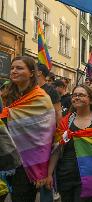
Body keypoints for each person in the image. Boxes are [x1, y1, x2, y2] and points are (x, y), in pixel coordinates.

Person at [46, 85, 92, 202]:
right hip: (66, 174)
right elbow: (56, 149)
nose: (77, 97)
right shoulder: (66, 121)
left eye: (81, 95)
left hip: (90, 176)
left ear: (91, 100)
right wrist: (49, 174)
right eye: (75, 95)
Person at [0, 56, 56, 202]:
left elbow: (45, 138)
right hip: (5, 157)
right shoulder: (6, 96)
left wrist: (41, 170)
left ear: (32, 73)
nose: (13, 71)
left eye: (19, 68)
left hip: (26, 164)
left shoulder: (42, 99)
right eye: (12, 68)